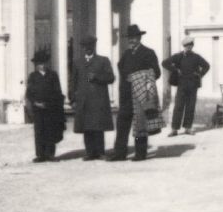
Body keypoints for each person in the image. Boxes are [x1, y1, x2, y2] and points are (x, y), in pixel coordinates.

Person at [112, 24, 162, 161]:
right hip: (126, 95)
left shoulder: (148, 53)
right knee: (122, 123)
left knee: (140, 124)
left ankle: (140, 154)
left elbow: (156, 73)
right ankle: (119, 153)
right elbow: (121, 68)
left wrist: (138, 77)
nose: (132, 40)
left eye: (134, 37)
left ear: (139, 37)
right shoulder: (126, 54)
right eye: (130, 38)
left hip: (140, 95)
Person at [71, 35, 114, 159]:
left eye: (90, 46)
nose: (88, 49)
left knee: (98, 127)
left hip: (98, 100)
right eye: (85, 46)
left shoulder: (103, 61)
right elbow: (73, 82)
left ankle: (100, 152)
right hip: (83, 100)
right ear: (82, 48)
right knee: (87, 127)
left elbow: (111, 78)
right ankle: (90, 153)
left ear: (94, 47)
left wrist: (97, 77)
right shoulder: (78, 63)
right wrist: (73, 98)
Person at [25, 49, 66, 163]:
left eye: (43, 63)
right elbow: (29, 93)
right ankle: (40, 154)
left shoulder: (53, 75)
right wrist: (36, 102)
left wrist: (49, 103)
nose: (41, 66)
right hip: (38, 108)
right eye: (38, 64)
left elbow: (57, 91)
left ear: (46, 63)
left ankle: (50, 154)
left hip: (50, 108)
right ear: (36, 65)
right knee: (39, 131)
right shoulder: (33, 76)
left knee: (50, 130)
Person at [164, 35, 210, 136]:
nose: (188, 47)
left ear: (192, 46)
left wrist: (199, 74)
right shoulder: (178, 56)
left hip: (193, 86)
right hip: (181, 85)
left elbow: (207, 66)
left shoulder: (196, 57)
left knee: (190, 107)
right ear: (183, 46)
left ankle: (188, 128)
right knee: (178, 106)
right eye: (186, 45)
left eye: (190, 45)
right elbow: (165, 63)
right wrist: (175, 70)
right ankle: (174, 129)